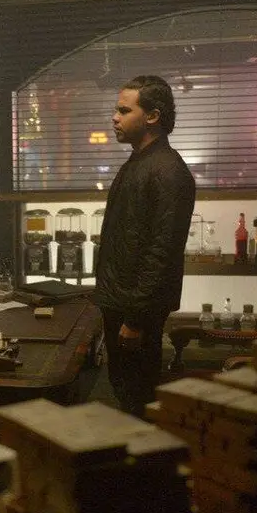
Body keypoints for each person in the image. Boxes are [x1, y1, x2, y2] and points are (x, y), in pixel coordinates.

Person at [94, 75, 196, 417]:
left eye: (125, 110)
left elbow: (162, 252)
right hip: (121, 302)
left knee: (137, 402)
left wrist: (136, 319)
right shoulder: (139, 162)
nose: (115, 117)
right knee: (124, 394)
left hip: (136, 310)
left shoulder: (167, 171)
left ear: (152, 116)